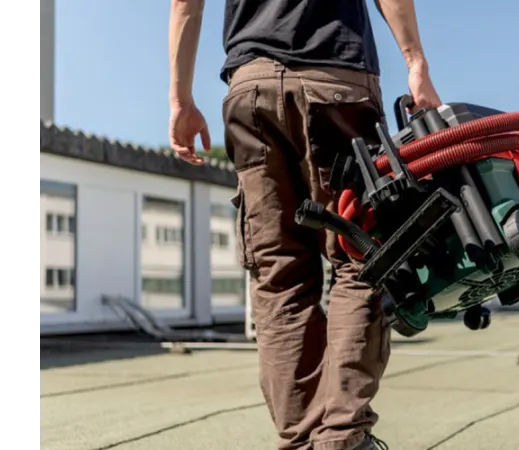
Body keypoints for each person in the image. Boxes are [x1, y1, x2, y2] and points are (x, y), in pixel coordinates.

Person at [167, 1, 442, 449]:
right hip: (337, 83)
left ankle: (301, 441)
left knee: (279, 277)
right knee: (361, 259)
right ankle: (342, 438)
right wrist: (416, 63)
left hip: (251, 93)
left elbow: (185, 5)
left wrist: (180, 99)